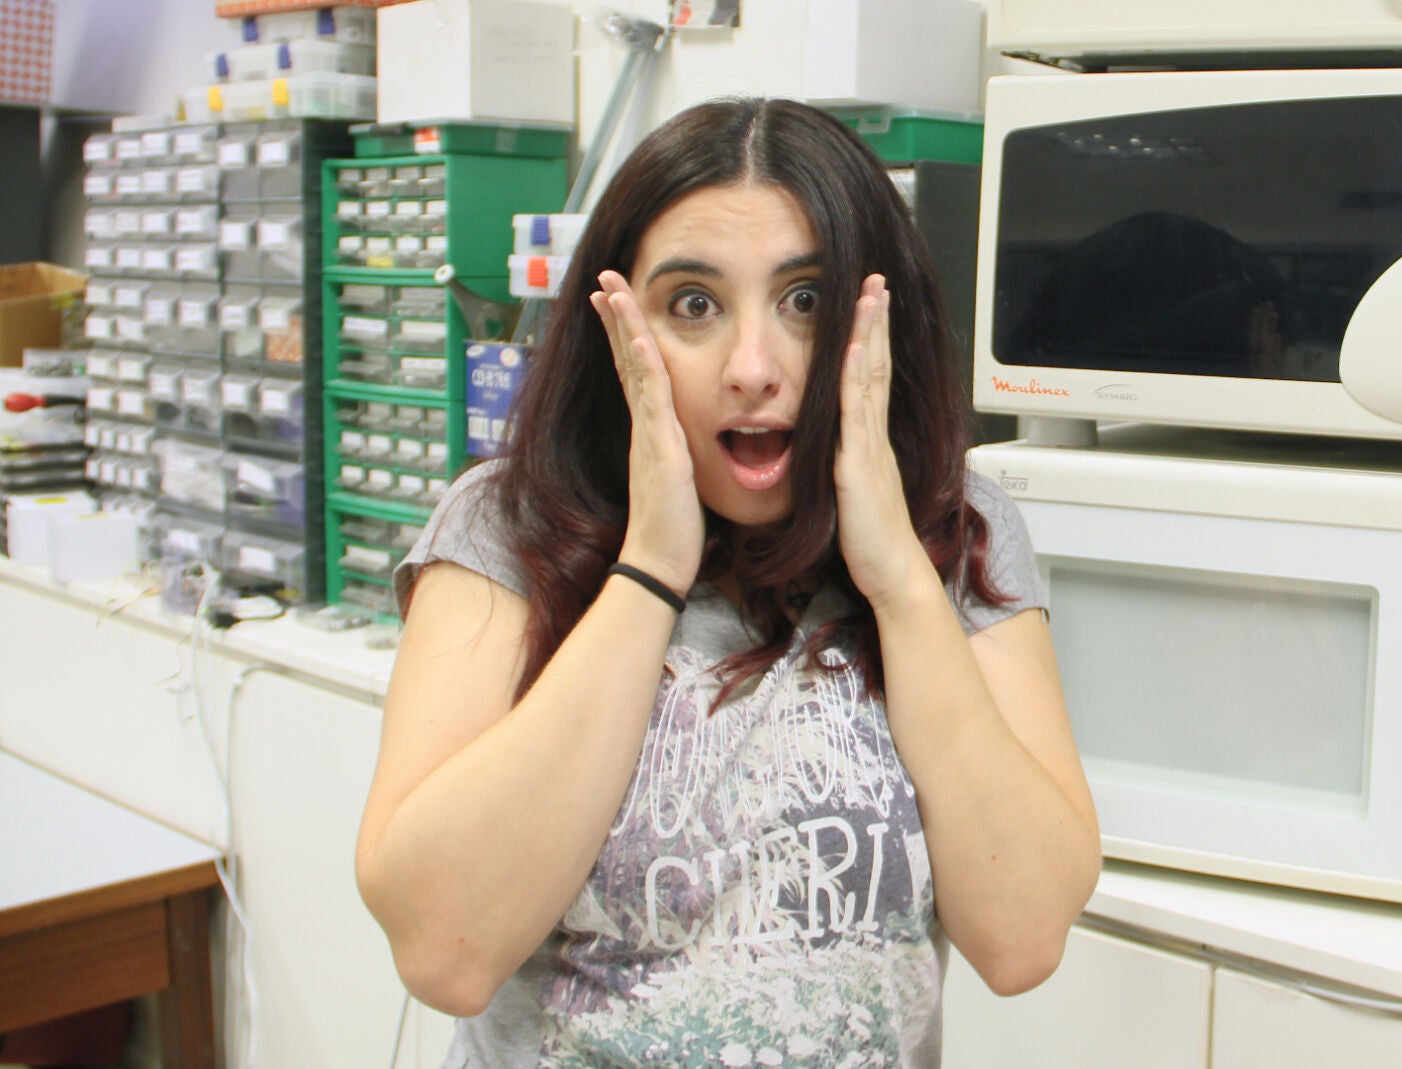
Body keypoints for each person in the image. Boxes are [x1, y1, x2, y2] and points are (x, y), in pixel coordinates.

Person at [354, 97, 1100, 1068]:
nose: (753, 367)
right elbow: (442, 950)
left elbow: (1023, 937)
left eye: (806, 301)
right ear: (616, 327)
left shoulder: (961, 532)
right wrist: (648, 571)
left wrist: (900, 581)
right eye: (694, 305)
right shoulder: (508, 526)